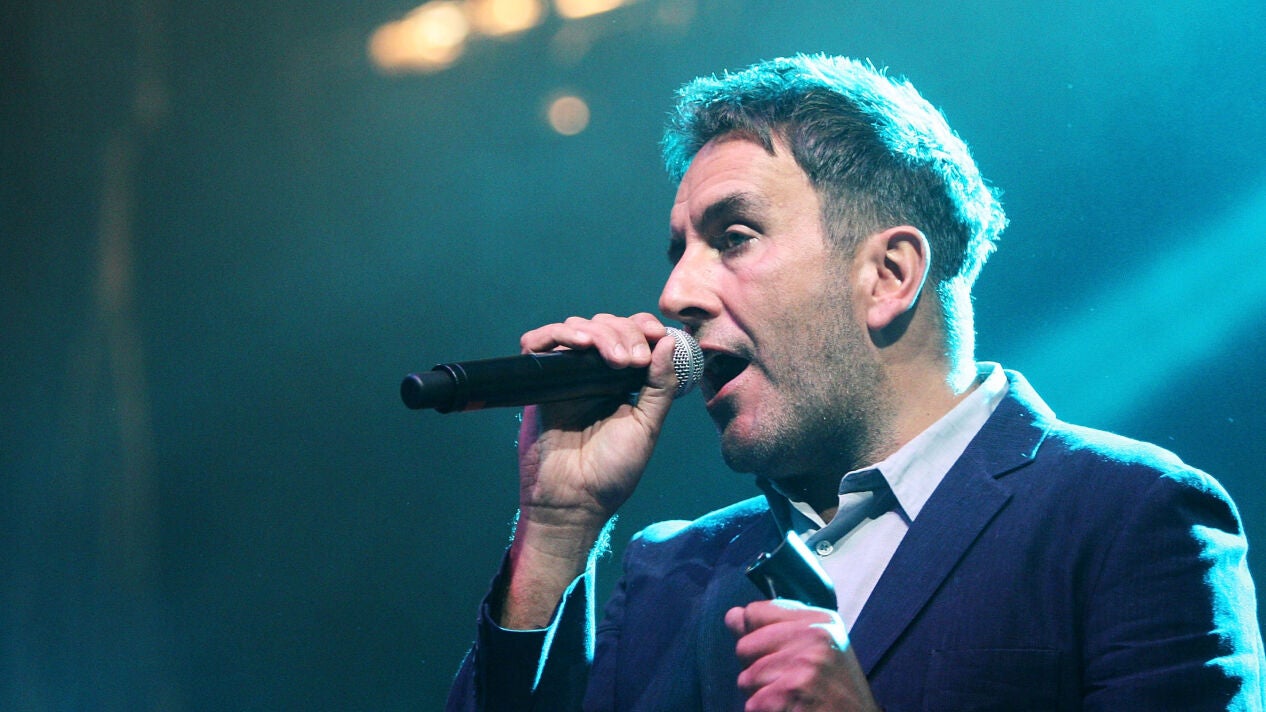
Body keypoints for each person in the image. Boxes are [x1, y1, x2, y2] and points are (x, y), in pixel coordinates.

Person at [445, 54, 1264, 711]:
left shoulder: (1126, 516)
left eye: (733, 237)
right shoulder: (670, 571)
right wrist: (556, 528)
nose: (675, 294)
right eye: (679, 251)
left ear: (889, 274)